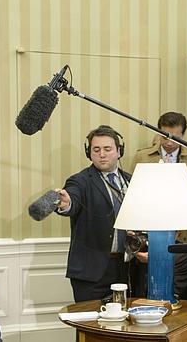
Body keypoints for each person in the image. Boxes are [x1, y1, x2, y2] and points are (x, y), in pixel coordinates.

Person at [57, 125, 132, 302]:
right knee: (90, 326)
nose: (102, 154)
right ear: (89, 153)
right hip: (91, 273)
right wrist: (66, 204)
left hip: (126, 269)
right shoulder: (80, 181)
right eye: (96, 149)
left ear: (119, 152)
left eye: (107, 149)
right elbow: (72, 200)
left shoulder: (131, 180)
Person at [130, 111, 187, 244]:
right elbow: (131, 195)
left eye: (175, 138)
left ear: (183, 135)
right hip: (149, 228)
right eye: (165, 137)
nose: (169, 143)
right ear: (158, 133)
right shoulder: (141, 158)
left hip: (184, 233)